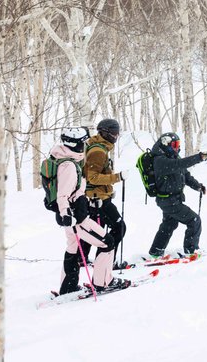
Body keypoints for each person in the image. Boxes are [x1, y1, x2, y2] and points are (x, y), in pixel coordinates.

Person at [49, 127, 121, 294]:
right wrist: (67, 213)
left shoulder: (61, 157)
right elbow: (63, 195)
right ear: (76, 144)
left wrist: (87, 201)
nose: (85, 145)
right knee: (107, 242)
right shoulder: (69, 166)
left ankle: (68, 287)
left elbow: (74, 191)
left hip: (71, 213)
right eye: (83, 142)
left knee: (73, 247)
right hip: (76, 217)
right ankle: (103, 282)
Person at [82, 117, 129, 290]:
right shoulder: (98, 151)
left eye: (118, 133)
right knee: (116, 231)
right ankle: (104, 272)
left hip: (101, 198)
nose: (116, 136)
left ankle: (106, 266)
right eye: (114, 133)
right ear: (105, 132)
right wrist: (117, 177)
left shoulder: (101, 148)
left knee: (110, 232)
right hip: (97, 200)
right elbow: (92, 177)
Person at [146, 131, 207, 257]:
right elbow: (179, 165)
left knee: (169, 224)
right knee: (194, 220)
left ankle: (156, 251)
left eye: (178, 144)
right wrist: (199, 157)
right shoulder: (160, 160)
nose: (177, 147)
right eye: (174, 144)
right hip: (169, 201)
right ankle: (192, 250)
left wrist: (198, 186)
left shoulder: (173, 158)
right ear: (165, 144)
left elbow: (185, 174)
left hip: (172, 200)